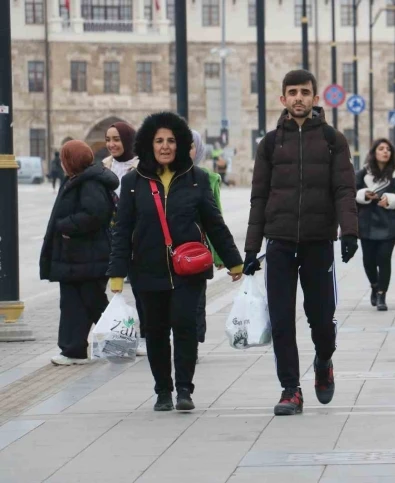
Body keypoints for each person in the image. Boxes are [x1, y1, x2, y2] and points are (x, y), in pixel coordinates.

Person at [107, 111, 243, 412]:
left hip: (188, 270)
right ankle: (162, 391)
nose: (165, 146)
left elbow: (214, 223)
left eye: (171, 140)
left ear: (180, 144)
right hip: (146, 269)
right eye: (159, 141)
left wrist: (234, 261)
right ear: (148, 144)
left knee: (184, 326)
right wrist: (116, 273)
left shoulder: (196, 180)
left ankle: (184, 389)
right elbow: (122, 232)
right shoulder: (132, 182)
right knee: (155, 332)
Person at [243, 70, 359, 416]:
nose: (298, 98)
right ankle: (290, 389)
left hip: (317, 241)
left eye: (304, 92)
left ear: (315, 98)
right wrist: (251, 248)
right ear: (282, 99)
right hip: (278, 242)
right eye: (292, 92)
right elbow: (258, 196)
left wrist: (349, 232)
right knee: (281, 319)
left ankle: (324, 361)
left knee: (321, 318)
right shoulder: (269, 143)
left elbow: (344, 188)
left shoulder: (331, 139)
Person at [40, 140, 119, 365]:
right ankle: (74, 350)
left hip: (87, 256)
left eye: (65, 159)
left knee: (89, 302)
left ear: (71, 161)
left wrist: (66, 226)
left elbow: (96, 214)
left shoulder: (89, 183)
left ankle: (118, 339)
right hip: (79, 257)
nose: (62, 164)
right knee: (76, 303)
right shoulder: (78, 180)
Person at [101, 121, 148, 355]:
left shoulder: (143, 166)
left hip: (139, 236)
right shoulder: (104, 167)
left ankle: (149, 336)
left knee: (142, 289)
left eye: (117, 139)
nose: (111, 144)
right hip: (112, 236)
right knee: (113, 288)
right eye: (108, 139)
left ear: (128, 140)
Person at [356, 139, 395, 311]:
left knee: (384, 258)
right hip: (366, 221)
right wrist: (364, 194)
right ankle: (374, 284)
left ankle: (381, 294)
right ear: (374, 152)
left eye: (388, 149)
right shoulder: (363, 173)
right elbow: (350, 192)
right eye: (381, 149)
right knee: (368, 260)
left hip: (389, 222)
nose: (385, 152)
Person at [190, 129, 224, 349]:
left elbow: (216, 220)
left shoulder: (208, 179)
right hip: (166, 253)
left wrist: (222, 256)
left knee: (196, 302)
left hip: (198, 252)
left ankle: (192, 340)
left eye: (190, 146)